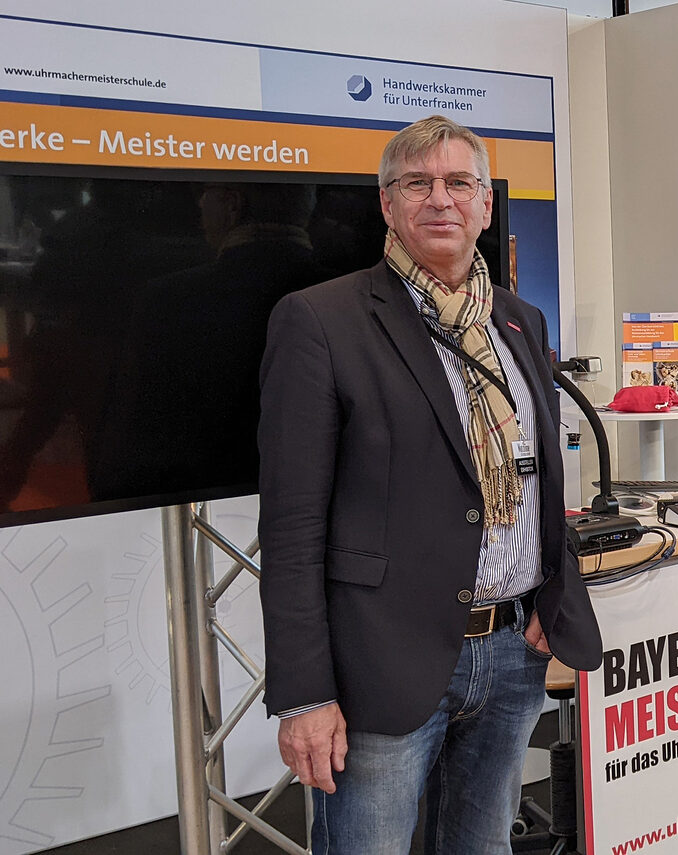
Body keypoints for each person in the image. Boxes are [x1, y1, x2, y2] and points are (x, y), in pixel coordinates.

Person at [258, 115, 602, 854]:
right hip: (384, 663)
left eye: (458, 183)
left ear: (484, 205)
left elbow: (538, 472)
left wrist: (554, 587)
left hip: (511, 655)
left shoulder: (517, 319)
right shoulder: (320, 320)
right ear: (387, 204)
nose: (439, 199)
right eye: (418, 183)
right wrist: (305, 694)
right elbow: (290, 529)